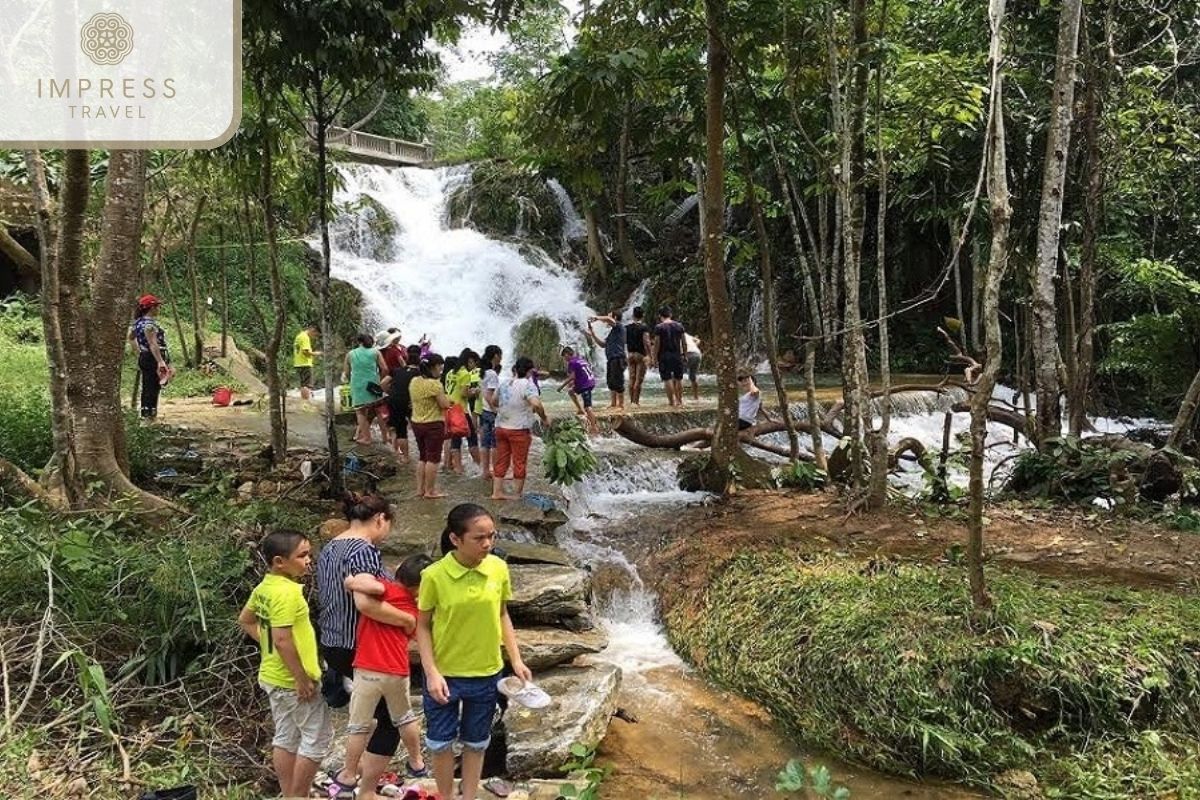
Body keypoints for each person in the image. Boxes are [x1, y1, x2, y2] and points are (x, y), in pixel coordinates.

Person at [417, 504, 534, 800]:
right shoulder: (433, 576)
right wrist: (431, 672)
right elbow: (423, 627)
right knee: (440, 743)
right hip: (445, 675)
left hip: (486, 672)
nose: (487, 544)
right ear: (455, 539)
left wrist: (516, 659)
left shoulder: (498, 567)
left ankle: (469, 795)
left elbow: (502, 614)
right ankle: (445, 796)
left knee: (477, 742)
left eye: (491, 537)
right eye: (479, 538)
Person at [317, 494, 420, 800]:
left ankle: (355, 773)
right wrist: (406, 620)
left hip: (333, 643)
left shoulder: (331, 546)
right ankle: (365, 791)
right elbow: (367, 604)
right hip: (360, 647)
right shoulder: (364, 550)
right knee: (393, 719)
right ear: (380, 520)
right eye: (388, 525)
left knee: (368, 714)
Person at [238, 530, 332, 800]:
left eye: (309, 554)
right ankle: (299, 795)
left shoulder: (264, 588)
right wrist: (301, 678)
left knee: (286, 737)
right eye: (302, 556)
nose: (308, 561)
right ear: (279, 561)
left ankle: (290, 794)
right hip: (292, 681)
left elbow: (246, 620)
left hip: (272, 676)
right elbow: (281, 638)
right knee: (316, 738)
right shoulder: (287, 593)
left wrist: (265, 642)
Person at [340, 553, 434, 800]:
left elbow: (362, 587)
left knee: (358, 726)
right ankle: (417, 762)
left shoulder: (382, 592)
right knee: (404, 717)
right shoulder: (416, 609)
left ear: (399, 571)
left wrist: (350, 581)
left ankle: (349, 774)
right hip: (397, 671)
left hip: (367, 670)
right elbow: (413, 631)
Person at [493, 357, 550, 501]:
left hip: (500, 427)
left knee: (501, 461)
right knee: (519, 462)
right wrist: (544, 418)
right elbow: (536, 404)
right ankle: (516, 495)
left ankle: (496, 493)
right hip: (518, 430)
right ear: (530, 371)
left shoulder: (504, 383)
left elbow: (493, 401)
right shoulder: (528, 385)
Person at [410, 354, 453, 499]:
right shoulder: (435, 385)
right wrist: (449, 400)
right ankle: (430, 491)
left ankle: (420, 489)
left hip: (416, 423)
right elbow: (444, 405)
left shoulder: (414, 381)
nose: (441, 370)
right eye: (439, 367)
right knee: (433, 459)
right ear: (433, 367)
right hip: (433, 424)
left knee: (422, 457)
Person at [130, 294, 174, 419]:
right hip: (152, 357)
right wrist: (160, 361)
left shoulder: (138, 323)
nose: (159, 309)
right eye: (157, 307)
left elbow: (131, 339)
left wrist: (139, 352)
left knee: (147, 385)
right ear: (152, 308)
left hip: (145, 356)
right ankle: (149, 415)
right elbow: (153, 344)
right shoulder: (149, 325)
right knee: (152, 387)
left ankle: (146, 413)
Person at [343, 334, 390, 446]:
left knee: (360, 411)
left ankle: (366, 438)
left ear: (359, 342)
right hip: (373, 384)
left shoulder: (350, 354)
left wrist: (352, 381)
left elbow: (347, 372)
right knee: (378, 410)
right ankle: (385, 437)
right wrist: (379, 379)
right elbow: (385, 369)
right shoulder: (375, 352)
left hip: (357, 385)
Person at [446, 349, 482, 475]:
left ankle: (458, 467)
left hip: (450, 409)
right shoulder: (465, 374)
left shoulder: (451, 372)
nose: (474, 367)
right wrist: (475, 391)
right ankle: (479, 466)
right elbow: (463, 393)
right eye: (473, 363)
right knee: (472, 437)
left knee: (455, 438)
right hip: (461, 410)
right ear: (469, 361)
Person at [386, 344, 422, 465]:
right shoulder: (419, 372)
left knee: (400, 429)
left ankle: (405, 457)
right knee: (418, 427)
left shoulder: (396, 371)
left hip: (394, 401)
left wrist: (390, 393)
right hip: (410, 402)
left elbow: (383, 383)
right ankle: (423, 454)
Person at [586, 311, 627, 411]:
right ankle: (613, 404)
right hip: (611, 359)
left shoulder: (619, 327)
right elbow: (602, 344)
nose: (607, 319)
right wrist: (593, 334)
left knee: (618, 381)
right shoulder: (611, 332)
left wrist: (596, 318)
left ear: (615, 317)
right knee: (611, 382)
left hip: (618, 357)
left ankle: (621, 405)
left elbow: (608, 319)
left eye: (609, 316)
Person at [558, 346, 600, 436]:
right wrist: (573, 384)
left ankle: (594, 427)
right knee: (571, 392)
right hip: (590, 382)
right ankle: (580, 409)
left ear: (567, 354)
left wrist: (561, 386)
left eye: (564, 356)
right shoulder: (580, 360)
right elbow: (579, 374)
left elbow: (572, 376)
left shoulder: (572, 362)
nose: (564, 359)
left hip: (585, 385)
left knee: (588, 408)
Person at [650, 306, 686, 408]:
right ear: (670, 314)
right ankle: (679, 401)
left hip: (664, 356)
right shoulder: (679, 326)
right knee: (678, 378)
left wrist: (654, 358)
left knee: (667, 379)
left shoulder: (659, 327)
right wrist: (685, 354)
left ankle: (671, 402)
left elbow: (657, 344)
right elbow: (683, 342)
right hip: (677, 355)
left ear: (660, 316)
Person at [479, 345, 503, 480]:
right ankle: (495, 470)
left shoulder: (482, 372)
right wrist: (496, 410)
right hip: (490, 412)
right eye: (500, 355)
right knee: (495, 444)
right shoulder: (492, 374)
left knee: (484, 443)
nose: (501, 358)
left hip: (482, 410)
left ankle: (485, 471)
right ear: (495, 356)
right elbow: (489, 395)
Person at [624, 306, 652, 406]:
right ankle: (636, 402)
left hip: (630, 354)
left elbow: (624, 341)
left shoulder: (627, 328)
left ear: (633, 315)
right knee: (638, 379)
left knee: (631, 378)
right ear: (643, 315)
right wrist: (649, 355)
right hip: (640, 355)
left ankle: (631, 401)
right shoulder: (644, 327)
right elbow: (647, 342)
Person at [293, 324, 321, 402]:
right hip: (305, 363)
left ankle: (304, 401)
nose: (314, 337)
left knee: (303, 384)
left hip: (298, 363)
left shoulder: (299, 336)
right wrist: (316, 353)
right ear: (313, 330)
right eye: (315, 335)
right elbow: (306, 352)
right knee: (307, 385)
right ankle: (306, 402)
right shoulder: (305, 337)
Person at [683, 332, 703, 402]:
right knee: (693, 376)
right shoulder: (686, 334)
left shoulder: (675, 333)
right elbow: (698, 340)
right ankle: (696, 397)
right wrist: (694, 346)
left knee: (676, 376)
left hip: (687, 354)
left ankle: (677, 398)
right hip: (697, 354)